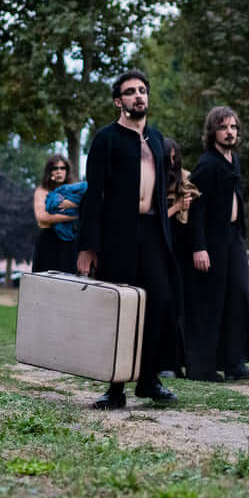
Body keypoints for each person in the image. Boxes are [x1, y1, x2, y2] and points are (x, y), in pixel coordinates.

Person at [77, 69, 181, 409]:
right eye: (130, 92)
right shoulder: (106, 138)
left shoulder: (156, 138)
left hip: (153, 232)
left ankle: (149, 380)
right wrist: (88, 245)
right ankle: (115, 388)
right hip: (118, 235)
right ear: (118, 101)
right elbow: (94, 195)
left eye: (142, 91)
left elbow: (162, 192)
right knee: (121, 307)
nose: (138, 96)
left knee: (159, 301)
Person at [185, 107, 249, 382]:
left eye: (233, 127)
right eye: (223, 127)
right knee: (211, 301)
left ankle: (234, 362)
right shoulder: (207, 164)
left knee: (239, 295)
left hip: (233, 237)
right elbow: (196, 209)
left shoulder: (233, 160)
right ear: (212, 132)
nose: (230, 132)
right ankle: (202, 367)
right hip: (211, 240)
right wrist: (199, 247)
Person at [160, 138, 198, 379]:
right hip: (161, 246)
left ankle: (184, 361)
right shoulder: (153, 182)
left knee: (182, 305)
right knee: (165, 303)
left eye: (175, 156)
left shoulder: (185, 178)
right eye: (168, 156)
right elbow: (154, 220)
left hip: (182, 247)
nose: (172, 161)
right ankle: (166, 362)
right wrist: (176, 207)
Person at [32, 155, 81, 273]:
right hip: (48, 241)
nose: (59, 171)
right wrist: (73, 216)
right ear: (49, 172)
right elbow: (43, 217)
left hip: (70, 241)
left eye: (62, 168)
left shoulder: (75, 190)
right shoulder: (42, 191)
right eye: (55, 168)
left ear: (67, 171)